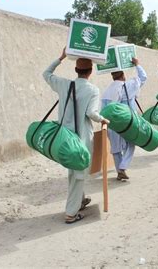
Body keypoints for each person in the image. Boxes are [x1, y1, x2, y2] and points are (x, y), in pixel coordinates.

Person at [43, 47, 109, 224]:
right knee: (78, 174)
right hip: (81, 139)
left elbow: (46, 73)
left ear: (76, 70)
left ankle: (80, 200)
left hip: (64, 138)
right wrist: (104, 120)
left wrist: (61, 57)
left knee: (73, 171)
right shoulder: (93, 90)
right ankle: (71, 213)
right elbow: (91, 113)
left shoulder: (64, 84)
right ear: (90, 71)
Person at [101, 58, 147, 181]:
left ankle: (119, 171)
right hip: (127, 122)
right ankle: (123, 167)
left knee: (116, 149)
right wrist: (137, 64)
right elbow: (143, 77)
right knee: (131, 144)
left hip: (112, 124)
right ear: (122, 75)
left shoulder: (106, 91)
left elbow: (103, 111)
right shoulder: (129, 86)